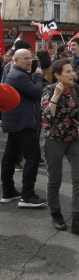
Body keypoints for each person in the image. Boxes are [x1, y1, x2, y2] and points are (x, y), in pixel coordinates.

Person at [41, 59, 79, 234]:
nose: (73, 74)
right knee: (54, 179)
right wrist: (56, 96)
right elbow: (47, 117)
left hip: (75, 139)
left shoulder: (76, 89)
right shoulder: (48, 90)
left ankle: (78, 220)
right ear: (57, 75)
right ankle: (56, 214)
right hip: (54, 140)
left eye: (72, 71)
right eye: (68, 72)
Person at [1, 49, 46, 207]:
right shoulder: (18, 75)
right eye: (25, 58)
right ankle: (27, 196)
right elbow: (36, 91)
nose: (29, 61)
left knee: (10, 158)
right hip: (23, 122)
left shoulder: (18, 73)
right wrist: (39, 76)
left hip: (18, 121)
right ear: (15, 60)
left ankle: (8, 192)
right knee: (33, 157)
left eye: (31, 58)